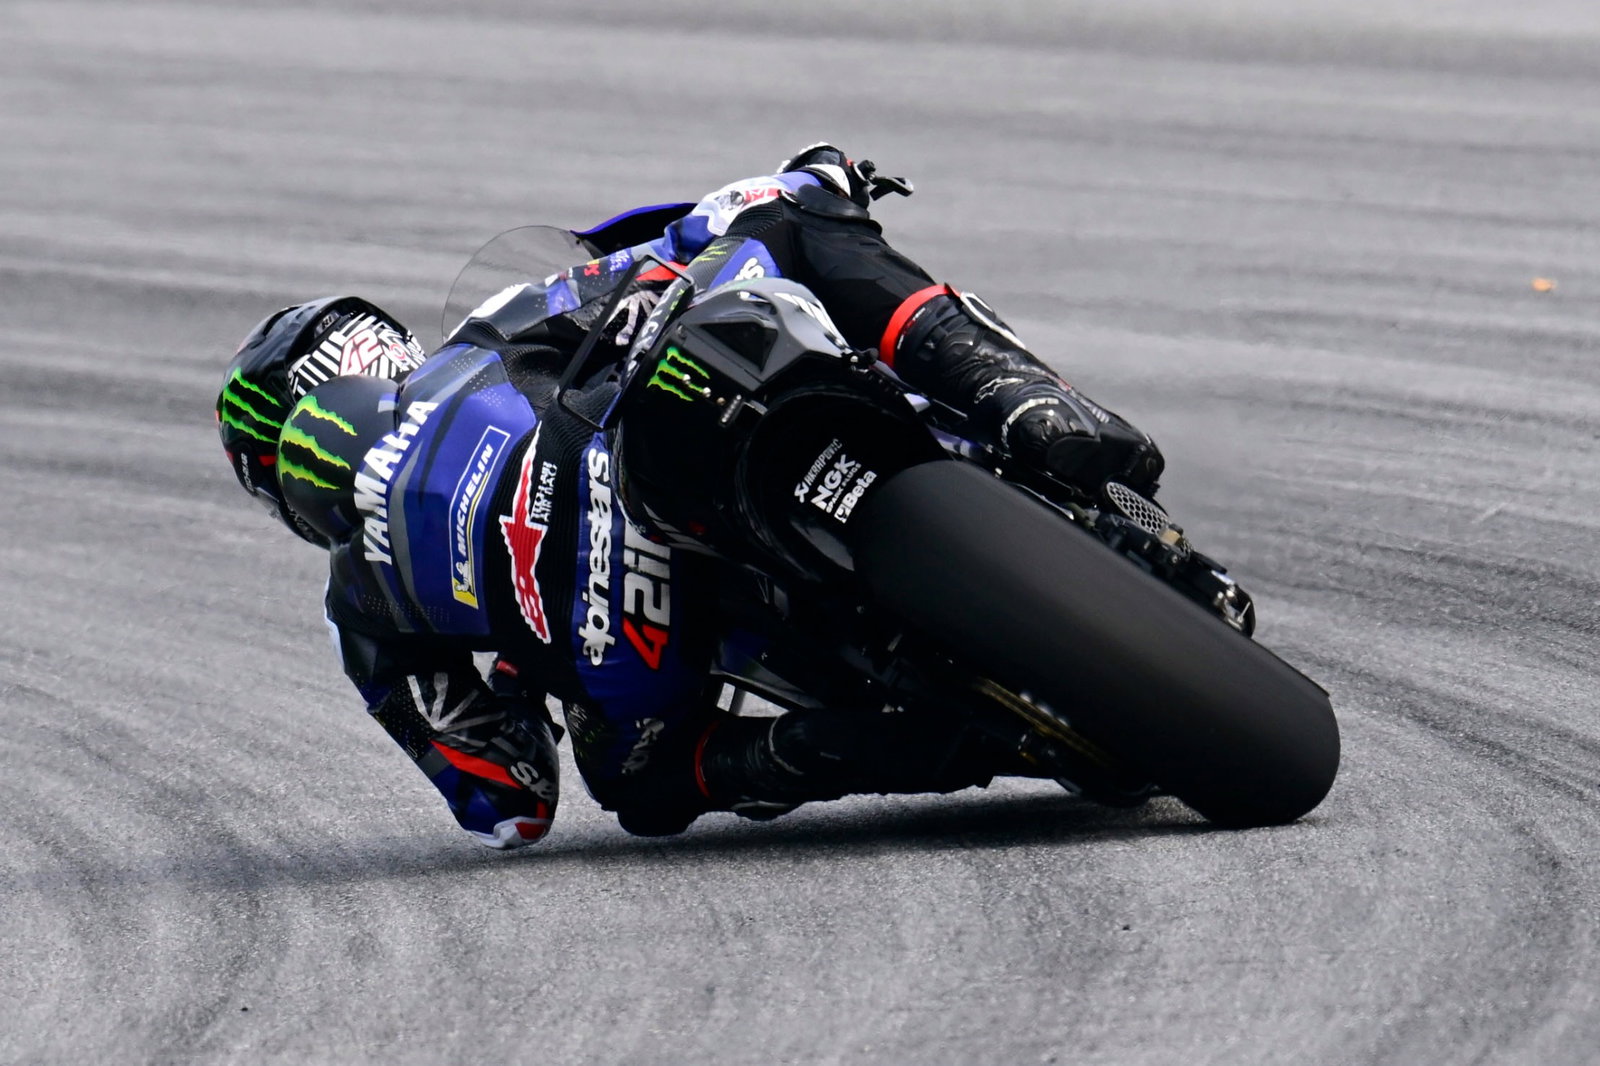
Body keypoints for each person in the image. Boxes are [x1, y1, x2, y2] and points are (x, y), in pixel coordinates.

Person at [216, 145, 1165, 848]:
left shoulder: (365, 609)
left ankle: (864, 746)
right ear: (383, 351)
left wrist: (511, 669)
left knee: (640, 783)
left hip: (630, 641)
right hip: (652, 474)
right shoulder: (493, 326)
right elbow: (658, 250)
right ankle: (1028, 402)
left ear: (283, 488)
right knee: (802, 225)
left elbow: (509, 799)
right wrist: (805, 184)